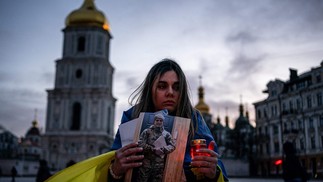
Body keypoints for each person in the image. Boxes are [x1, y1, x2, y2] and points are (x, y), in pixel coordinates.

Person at [109, 58, 228, 181]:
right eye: (162, 86)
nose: (170, 92)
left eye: (176, 87)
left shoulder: (194, 119)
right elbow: (112, 164)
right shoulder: (132, 117)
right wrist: (115, 169)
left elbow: (217, 170)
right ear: (150, 90)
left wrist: (212, 172)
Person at [137, 111, 176, 182]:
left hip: (159, 165)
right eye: (157, 120)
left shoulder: (166, 134)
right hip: (146, 163)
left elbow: (173, 146)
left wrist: (163, 149)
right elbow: (140, 143)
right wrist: (153, 149)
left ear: (163, 122)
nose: (159, 122)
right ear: (154, 121)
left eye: (161, 121)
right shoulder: (147, 132)